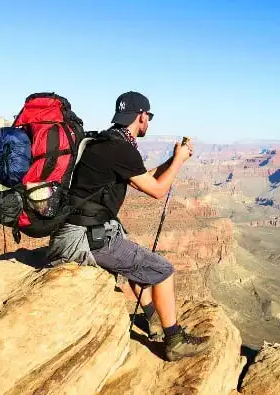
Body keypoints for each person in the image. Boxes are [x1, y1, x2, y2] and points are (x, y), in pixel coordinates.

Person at [48, 91, 209, 362]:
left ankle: (154, 322)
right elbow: (157, 189)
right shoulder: (121, 148)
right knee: (163, 271)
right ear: (142, 116)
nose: (149, 122)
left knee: (137, 265)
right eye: (149, 117)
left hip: (74, 229)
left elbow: (141, 178)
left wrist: (173, 159)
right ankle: (174, 340)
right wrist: (179, 161)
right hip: (86, 238)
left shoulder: (106, 141)